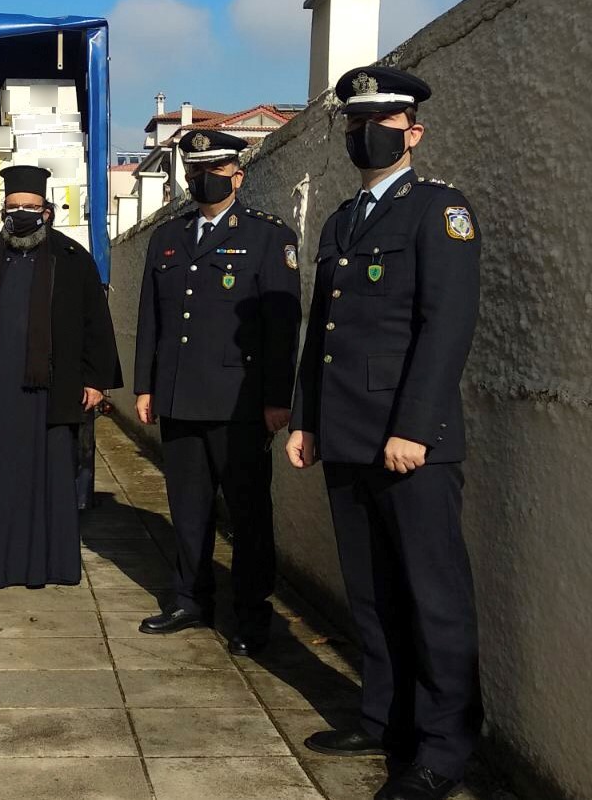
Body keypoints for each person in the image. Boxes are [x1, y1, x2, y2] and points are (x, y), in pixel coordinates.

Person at [286, 66, 483, 800]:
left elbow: (447, 326)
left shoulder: (440, 212)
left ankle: (443, 747)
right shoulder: (341, 221)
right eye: (354, 123)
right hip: (344, 436)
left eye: (381, 121)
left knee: (433, 599)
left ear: (413, 131)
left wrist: (415, 429)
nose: (364, 134)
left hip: (410, 444)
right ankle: (383, 717)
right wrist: (306, 419)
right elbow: (323, 335)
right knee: (370, 593)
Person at [133, 129, 301, 655]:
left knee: (248, 514)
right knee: (187, 507)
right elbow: (151, 320)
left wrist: (278, 397)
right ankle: (189, 597)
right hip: (180, 396)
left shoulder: (269, 236)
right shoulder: (168, 236)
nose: (203, 179)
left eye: (215, 170)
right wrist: (146, 386)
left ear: (237, 175)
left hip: (240, 402)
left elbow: (282, 322)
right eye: (195, 171)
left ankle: (252, 615)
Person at [0, 165, 121, 588]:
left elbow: (96, 323)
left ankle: (48, 565)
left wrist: (95, 380)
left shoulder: (74, 262)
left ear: (48, 212)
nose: (22, 213)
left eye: (31, 207)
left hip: (52, 393)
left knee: (50, 476)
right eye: (14, 207)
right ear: (3, 211)